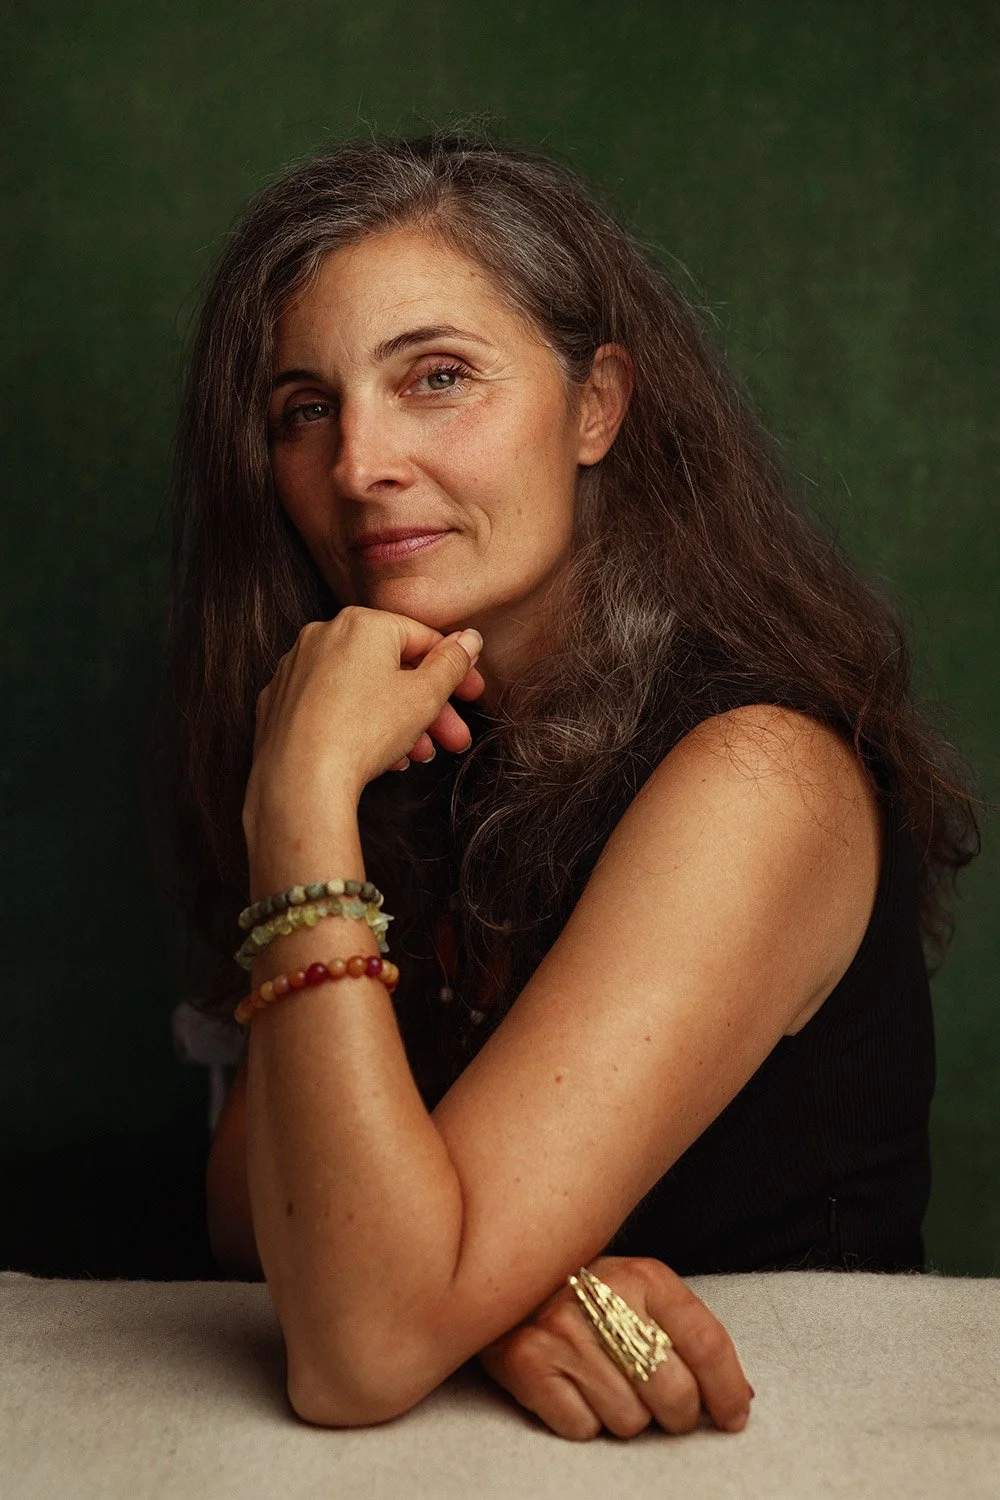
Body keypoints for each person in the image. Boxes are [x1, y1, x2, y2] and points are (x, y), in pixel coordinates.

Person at [149, 129, 979, 1440]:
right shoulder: (410, 736)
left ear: (596, 405)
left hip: (799, 1455)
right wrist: (487, 1290)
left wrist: (296, 796)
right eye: (308, 409)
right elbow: (252, 1210)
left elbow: (357, 1350)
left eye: (435, 377)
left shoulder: (759, 777)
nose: (360, 463)